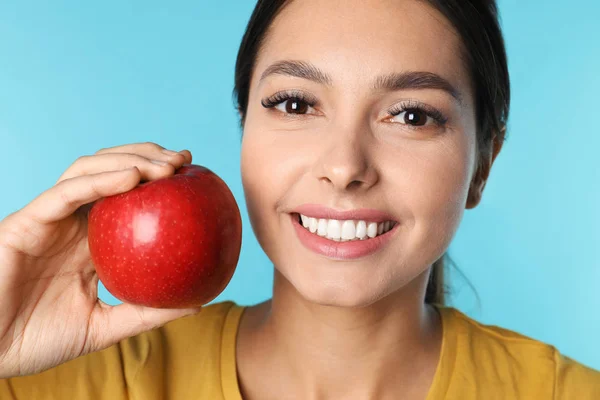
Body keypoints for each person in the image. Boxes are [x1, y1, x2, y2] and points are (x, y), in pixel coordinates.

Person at [0, 0, 598, 398]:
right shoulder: (75, 379)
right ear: (244, 129)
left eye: (412, 115)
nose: (344, 167)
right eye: (296, 104)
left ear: (482, 165)